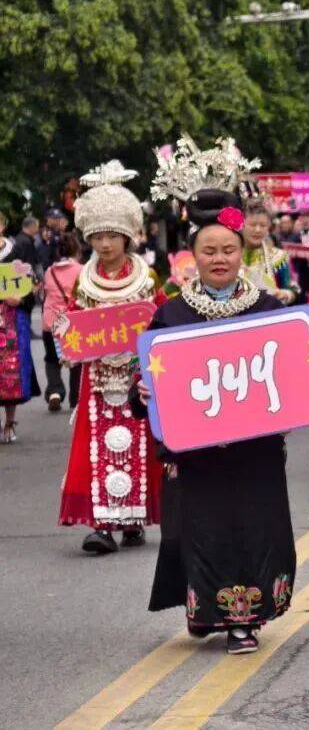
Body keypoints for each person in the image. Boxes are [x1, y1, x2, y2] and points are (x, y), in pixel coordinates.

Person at [133, 184, 309, 655]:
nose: (220, 259)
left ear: (243, 252)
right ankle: (205, 610)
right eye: (209, 250)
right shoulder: (170, 315)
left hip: (255, 453)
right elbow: (149, 390)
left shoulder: (269, 310)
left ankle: (243, 620)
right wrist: (144, 391)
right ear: (191, 256)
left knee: (253, 527)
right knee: (203, 529)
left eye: (228, 250)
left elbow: (295, 373)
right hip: (197, 456)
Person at [57, 161, 163, 554]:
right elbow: (69, 324)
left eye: (112, 236)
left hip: (136, 376)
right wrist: (65, 339)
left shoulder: (146, 278)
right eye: (98, 236)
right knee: (97, 447)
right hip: (99, 377)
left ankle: (132, 520)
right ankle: (103, 524)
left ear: (127, 237)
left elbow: (160, 318)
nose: (104, 244)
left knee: (139, 443)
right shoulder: (85, 280)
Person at [0, 211, 41, 441]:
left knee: (11, 370)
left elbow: (30, 283)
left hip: (12, 319)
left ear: (3, 226)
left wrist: (21, 298)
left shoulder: (16, 250)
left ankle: (9, 421)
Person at [41, 232, 83, 412]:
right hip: (73, 323)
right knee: (77, 362)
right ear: (77, 250)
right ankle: (75, 401)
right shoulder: (82, 270)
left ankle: (55, 393)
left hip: (50, 323)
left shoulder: (49, 271)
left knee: (52, 359)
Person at [240, 199, 299, 305]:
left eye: (263, 225)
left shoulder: (279, 257)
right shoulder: (230, 256)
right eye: (252, 225)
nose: (258, 230)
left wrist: (284, 294)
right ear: (241, 225)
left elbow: (293, 288)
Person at [35, 207, 69, 271]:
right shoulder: (43, 232)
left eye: (59, 218)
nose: (58, 220)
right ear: (48, 219)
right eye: (55, 218)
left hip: (55, 267)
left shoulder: (57, 232)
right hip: (45, 268)